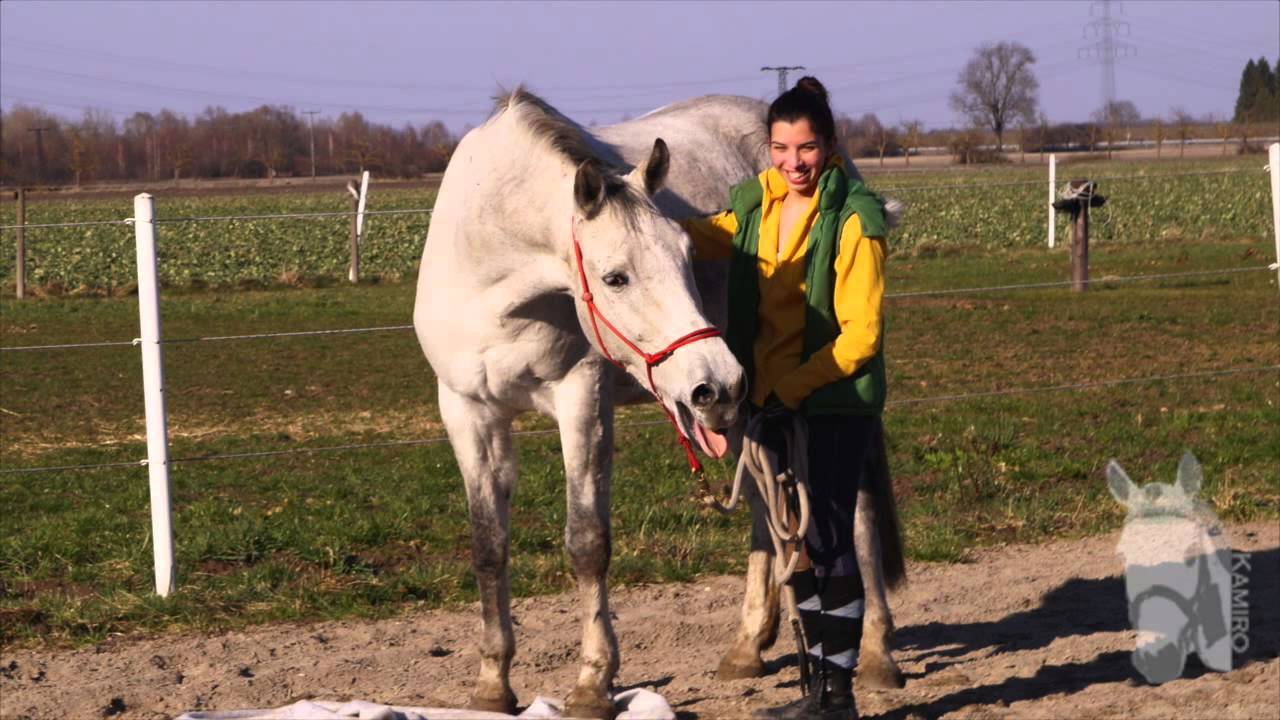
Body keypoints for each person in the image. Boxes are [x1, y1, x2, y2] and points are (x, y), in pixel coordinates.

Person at [684, 77, 889, 720]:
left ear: (827, 147)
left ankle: (839, 696)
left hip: (830, 400)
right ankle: (818, 691)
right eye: (779, 148)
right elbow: (705, 235)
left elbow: (862, 337)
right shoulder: (754, 207)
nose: (792, 163)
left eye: (804, 149)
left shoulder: (856, 218)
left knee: (828, 540)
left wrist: (791, 391)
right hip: (772, 402)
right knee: (795, 542)